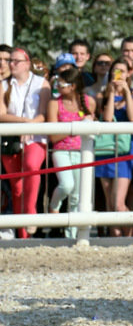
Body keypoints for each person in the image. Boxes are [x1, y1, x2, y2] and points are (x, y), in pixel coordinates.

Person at [1, 48, 51, 238]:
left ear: (27, 63)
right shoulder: (3, 85)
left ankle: (31, 213)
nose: (11, 64)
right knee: (16, 186)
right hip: (12, 138)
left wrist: (31, 126)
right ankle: (23, 234)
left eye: (16, 61)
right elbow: (1, 113)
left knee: (31, 167)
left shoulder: (41, 83)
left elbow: (43, 114)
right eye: (9, 61)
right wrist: (24, 124)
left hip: (35, 137)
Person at [46, 67, 96, 238]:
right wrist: (76, 127)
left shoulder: (89, 102)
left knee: (77, 196)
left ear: (73, 86)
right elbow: (53, 136)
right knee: (66, 185)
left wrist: (81, 125)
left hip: (82, 151)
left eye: (61, 84)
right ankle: (53, 207)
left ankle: (72, 236)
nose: (58, 87)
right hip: (61, 150)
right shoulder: (54, 104)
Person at [96, 58, 133, 233]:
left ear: (128, 73)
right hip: (105, 149)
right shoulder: (101, 95)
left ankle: (129, 236)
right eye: (115, 71)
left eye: (122, 71)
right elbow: (107, 118)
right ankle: (115, 239)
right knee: (110, 203)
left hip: (125, 148)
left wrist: (126, 91)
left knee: (119, 203)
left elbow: (132, 117)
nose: (118, 74)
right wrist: (112, 92)